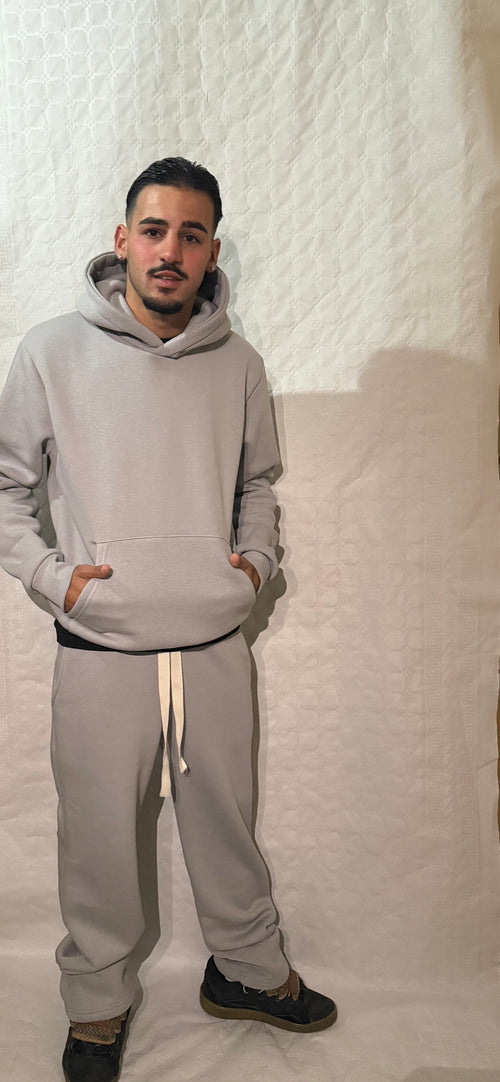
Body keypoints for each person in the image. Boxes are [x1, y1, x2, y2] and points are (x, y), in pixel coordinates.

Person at [0, 157, 336, 1081]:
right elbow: (5, 487)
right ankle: (97, 1007)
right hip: (100, 647)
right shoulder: (51, 352)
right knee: (99, 838)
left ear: (211, 251)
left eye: (191, 235)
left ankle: (247, 973)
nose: (170, 251)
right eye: (154, 230)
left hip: (215, 642)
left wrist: (255, 564)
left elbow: (257, 483)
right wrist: (56, 579)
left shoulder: (239, 363)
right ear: (122, 239)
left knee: (228, 826)